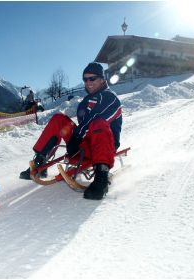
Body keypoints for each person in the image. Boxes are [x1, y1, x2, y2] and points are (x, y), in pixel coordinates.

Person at [19, 62, 122, 200]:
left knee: (98, 123)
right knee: (58, 119)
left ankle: (101, 179)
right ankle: (41, 162)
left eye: (92, 78)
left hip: (103, 146)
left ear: (102, 79)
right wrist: (75, 137)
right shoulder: (87, 100)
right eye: (85, 79)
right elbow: (82, 123)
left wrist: (77, 137)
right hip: (85, 143)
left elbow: (96, 118)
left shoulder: (110, 98)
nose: (88, 82)